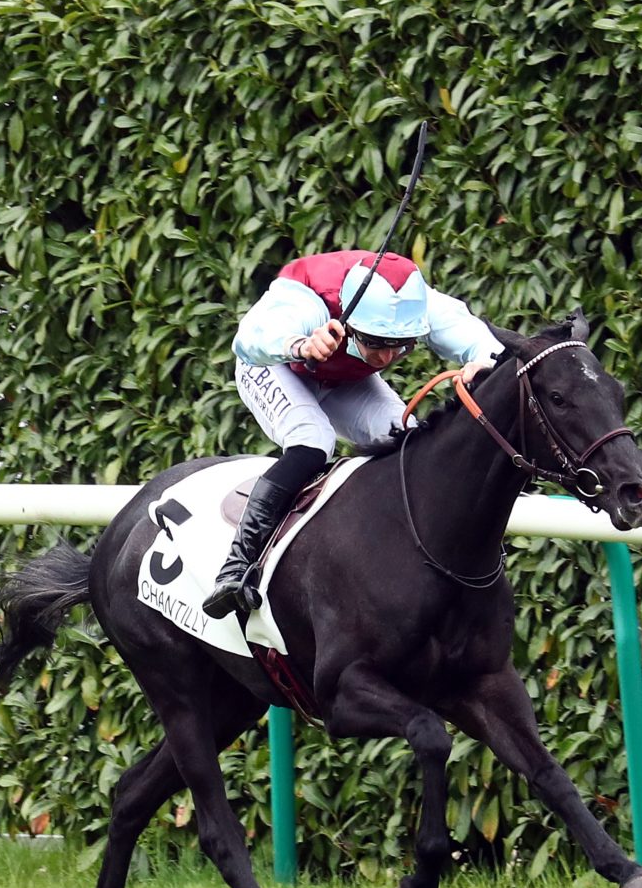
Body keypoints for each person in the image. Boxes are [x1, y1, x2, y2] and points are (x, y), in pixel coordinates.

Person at [201, 249, 504, 619]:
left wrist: (486, 362)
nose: (387, 358)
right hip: (275, 367)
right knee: (313, 441)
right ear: (350, 320)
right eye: (375, 343)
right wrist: (300, 345)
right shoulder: (310, 298)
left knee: (409, 439)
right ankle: (235, 568)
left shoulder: (420, 304)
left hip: (341, 380)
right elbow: (249, 339)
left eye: (401, 345)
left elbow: (482, 341)